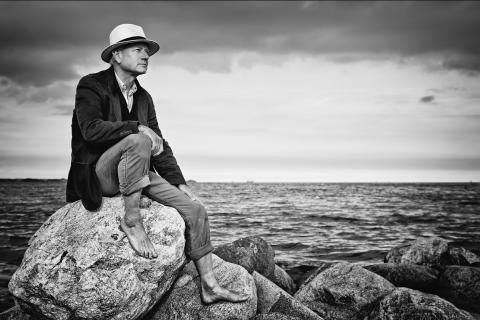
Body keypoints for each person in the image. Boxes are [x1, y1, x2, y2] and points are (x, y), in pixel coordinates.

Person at [66, 23, 248, 304]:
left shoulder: (143, 96)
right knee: (139, 140)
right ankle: (132, 220)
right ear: (116, 55)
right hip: (99, 174)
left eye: (147, 50)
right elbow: (90, 130)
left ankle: (210, 286)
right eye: (138, 49)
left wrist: (179, 182)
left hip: (138, 171)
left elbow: (159, 144)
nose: (146, 55)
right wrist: (137, 128)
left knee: (196, 209)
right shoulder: (91, 85)